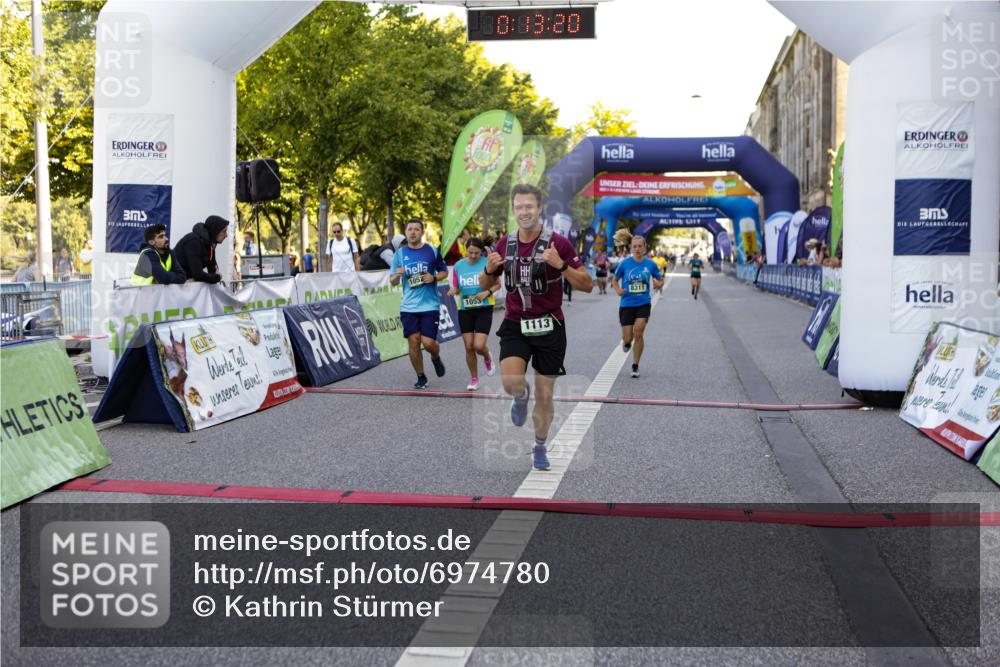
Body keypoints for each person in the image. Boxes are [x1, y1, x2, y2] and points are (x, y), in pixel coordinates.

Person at [481, 183, 593, 471]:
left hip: (550, 326)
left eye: (529, 206)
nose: (524, 212)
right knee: (510, 382)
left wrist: (561, 265)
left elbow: (587, 285)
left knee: (546, 394)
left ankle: (540, 445)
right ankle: (520, 396)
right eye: (519, 207)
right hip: (516, 323)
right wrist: (489, 270)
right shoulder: (505, 244)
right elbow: (484, 285)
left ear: (540, 208)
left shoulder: (559, 244)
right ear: (513, 210)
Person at [389, 219, 448, 389]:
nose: (413, 232)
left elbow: (444, 271)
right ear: (405, 232)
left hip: (430, 305)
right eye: (410, 229)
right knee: (414, 341)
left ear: (422, 232)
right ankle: (421, 376)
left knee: (428, 343)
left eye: (416, 229)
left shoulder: (431, 251)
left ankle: (435, 357)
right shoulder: (399, 254)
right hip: (408, 306)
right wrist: (397, 275)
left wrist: (434, 277)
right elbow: (392, 281)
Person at [448, 237, 499, 390]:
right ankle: (474, 378)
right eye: (470, 252)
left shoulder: (486, 263)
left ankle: (487, 356)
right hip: (465, 309)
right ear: (466, 250)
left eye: (476, 253)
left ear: (481, 251)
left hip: (484, 307)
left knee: (478, 345)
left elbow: (497, 285)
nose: (473, 256)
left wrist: (487, 293)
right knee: (469, 347)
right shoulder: (458, 265)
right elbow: (457, 287)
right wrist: (453, 290)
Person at [612, 235, 664, 378]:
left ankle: (635, 365)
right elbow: (615, 280)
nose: (637, 249)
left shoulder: (651, 264)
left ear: (644, 247)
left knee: (639, 332)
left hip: (643, 303)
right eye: (634, 246)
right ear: (631, 248)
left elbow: (660, 279)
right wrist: (618, 290)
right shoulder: (624, 264)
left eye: (640, 246)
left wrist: (659, 284)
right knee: (628, 337)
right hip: (627, 304)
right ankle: (627, 342)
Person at [174, 215, 229, 283]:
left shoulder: (210, 244)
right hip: (175, 284)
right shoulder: (194, 242)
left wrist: (215, 276)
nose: (226, 235)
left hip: (186, 283)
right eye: (224, 231)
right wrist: (218, 277)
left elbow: (213, 271)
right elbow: (198, 275)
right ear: (215, 231)